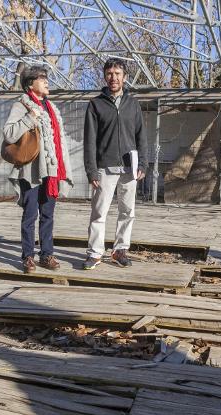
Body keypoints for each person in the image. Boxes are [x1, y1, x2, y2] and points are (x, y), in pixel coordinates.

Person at [3, 65, 73, 273]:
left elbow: (59, 142)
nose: (46, 81)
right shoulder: (21, 106)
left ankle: (47, 255)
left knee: (48, 215)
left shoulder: (52, 109)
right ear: (30, 84)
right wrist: (29, 118)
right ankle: (27, 257)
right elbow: (9, 133)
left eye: (46, 78)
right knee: (30, 214)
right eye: (41, 78)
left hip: (50, 169)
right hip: (31, 170)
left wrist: (64, 168)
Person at [82, 58, 148, 270]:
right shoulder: (96, 104)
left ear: (125, 77)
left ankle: (120, 250)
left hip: (130, 168)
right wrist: (91, 169)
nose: (114, 78)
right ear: (105, 76)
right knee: (99, 212)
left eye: (118, 74)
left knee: (127, 211)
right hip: (104, 168)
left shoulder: (133, 104)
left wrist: (143, 164)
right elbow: (89, 140)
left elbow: (141, 136)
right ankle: (95, 253)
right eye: (110, 74)